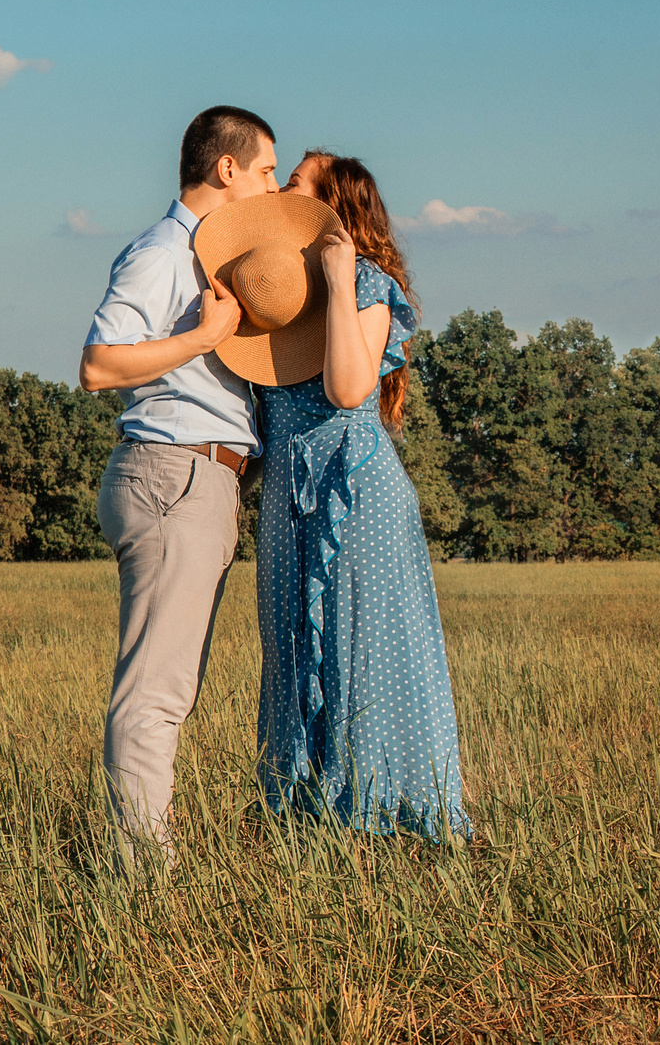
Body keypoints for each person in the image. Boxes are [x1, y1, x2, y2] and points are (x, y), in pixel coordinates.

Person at [228, 153, 471, 842]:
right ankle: (307, 820)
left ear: (332, 207)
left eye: (295, 182)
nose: (278, 189)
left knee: (369, 651)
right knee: (291, 653)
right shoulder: (275, 294)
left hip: (354, 489)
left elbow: (346, 389)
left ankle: (383, 817)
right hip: (287, 496)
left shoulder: (366, 282)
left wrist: (338, 279)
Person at [79, 104, 278, 860]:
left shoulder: (207, 261)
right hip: (174, 472)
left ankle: (143, 851)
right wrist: (201, 337)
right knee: (156, 691)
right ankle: (139, 872)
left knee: (171, 687)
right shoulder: (164, 252)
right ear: (227, 169)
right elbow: (98, 364)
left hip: (201, 477)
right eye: (265, 171)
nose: (271, 186)